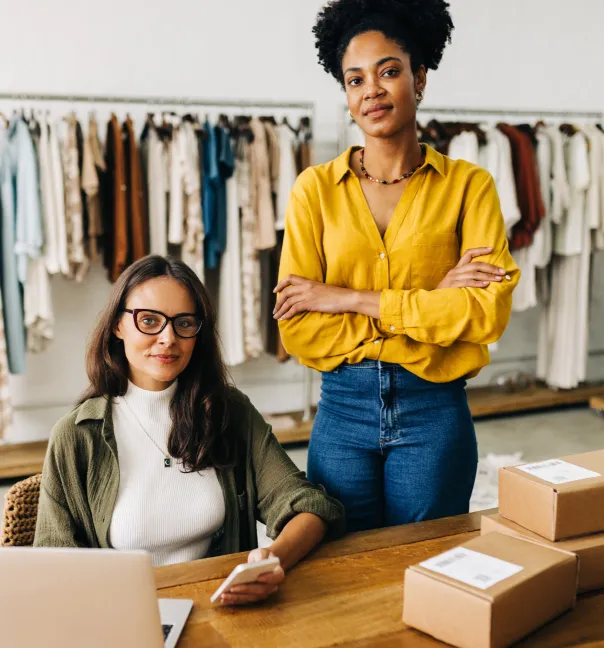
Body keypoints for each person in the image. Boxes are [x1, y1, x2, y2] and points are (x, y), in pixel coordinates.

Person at [274, 0, 520, 533]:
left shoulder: (468, 187)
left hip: (433, 412)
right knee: (343, 573)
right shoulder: (313, 190)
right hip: (342, 412)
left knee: (426, 564)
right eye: (355, 79)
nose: (372, 91)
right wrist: (433, 303)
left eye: (389, 71)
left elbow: (484, 316)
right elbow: (298, 328)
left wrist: (346, 297)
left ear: (421, 78)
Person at [34, 255, 344, 606]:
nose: (168, 338)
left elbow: (311, 507)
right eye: (149, 320)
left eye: (184, 323)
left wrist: (275, 558)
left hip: (224, 613)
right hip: (124, 620)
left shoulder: (230, 413)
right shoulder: (76, 436)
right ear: (117, 325)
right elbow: (52, 570)